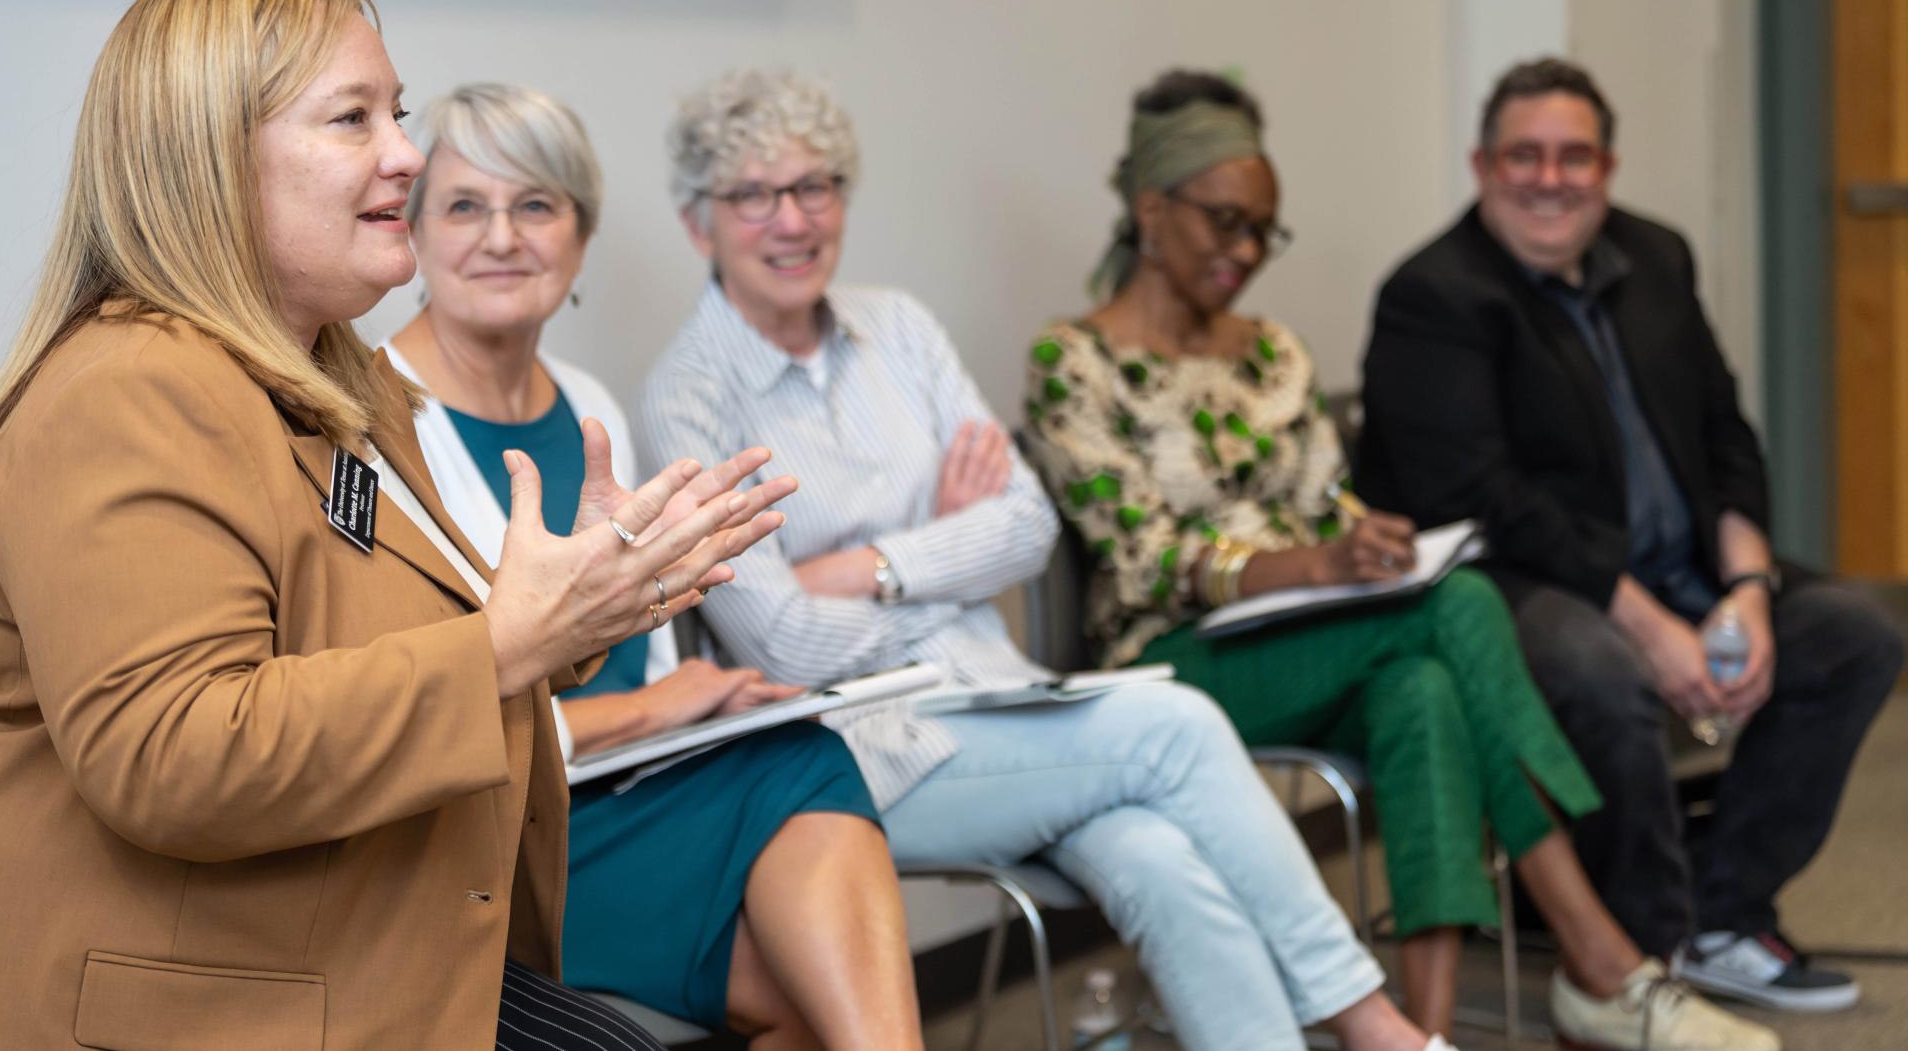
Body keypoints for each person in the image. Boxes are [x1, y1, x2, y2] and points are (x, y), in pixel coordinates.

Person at [0, 0, 791, 1051]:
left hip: (332, 944)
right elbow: (174, 756)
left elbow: (386, 637)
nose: (408, 156)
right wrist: (512, 642)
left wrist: (577, 613)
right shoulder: (124, 390)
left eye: (399, 113)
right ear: (209, 162)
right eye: (351, 119)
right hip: (172, 999)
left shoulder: (334, 373)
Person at [639, 68, 1461, 1051]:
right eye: (752, 195)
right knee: (1173, 724)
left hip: (1002, 703)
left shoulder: (896, 325)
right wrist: (951, 552)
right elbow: (780, 636)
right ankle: (1377, 1028)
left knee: (1158, 855)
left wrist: (865, 564)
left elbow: (1024, 525)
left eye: (814, 187)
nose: (791, 219)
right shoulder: (685, 396)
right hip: (855, 756)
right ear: (700, 224)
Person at [1021, 67, 1776, 1051]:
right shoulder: (1070, 360)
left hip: (1315, 640)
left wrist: (1363, 541)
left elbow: (1327, 501)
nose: (1244, 251)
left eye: (1262, 228)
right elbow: (1143, 555)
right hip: (1167, 666)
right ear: (1148, 207)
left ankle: (1418, 1035)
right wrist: (1312, 562)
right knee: (1459, 608)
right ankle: (1601, 959)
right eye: (1222, 222)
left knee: (1423, 682)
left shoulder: (1271, 353)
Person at [1359, 55, 1906, 1014]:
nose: (1549, 178)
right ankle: (1644, 957)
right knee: (1603, 668)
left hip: (1682, 564)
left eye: (1575, 157)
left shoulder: (1656, 257)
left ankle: (1722, 915)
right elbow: (1487, 501)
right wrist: (1654, 628)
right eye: (1523, 155)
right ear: (1481, 164)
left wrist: (1746, 590)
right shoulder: (1433, 296)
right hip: (1511, 582)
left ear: (1608, 169)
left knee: (1857, 634)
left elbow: (1725, 434)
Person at [383, 81, 922, 1050]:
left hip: (635, 789)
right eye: (465, 205)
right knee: (802, 784)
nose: (501, 235)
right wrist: (655, 707)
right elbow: (426, 715)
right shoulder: (380, 419)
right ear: (412, 231)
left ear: (580, 236)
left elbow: (650, 652)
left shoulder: (586, 399)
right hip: (504, 840)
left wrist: (704, 696)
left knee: (812, 965)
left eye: (535, 204)